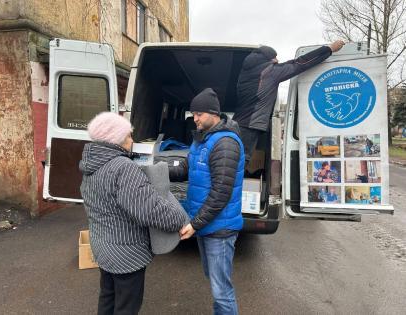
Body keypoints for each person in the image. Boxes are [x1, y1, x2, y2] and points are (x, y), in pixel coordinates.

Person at [79, 112, 187, 315]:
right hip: (126, 253)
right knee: (127, 307)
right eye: (128, 136)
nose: (132, 140)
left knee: (108, 298)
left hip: (103, 247)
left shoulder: (91, 165)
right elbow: (149, 210)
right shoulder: (123, 167)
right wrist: (180, 219)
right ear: (115, 139)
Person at [169, 88, 245, 315]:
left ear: (214, 113)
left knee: (221, 291)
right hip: (206, 226)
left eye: (199, 113)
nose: (195, 118)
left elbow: (221, 193)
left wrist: (195, 224)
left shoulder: (225, 143)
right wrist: (161, 170)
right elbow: (188, 169)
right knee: (214, 280)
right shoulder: (203, 140)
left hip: (219, 228)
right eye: (193, 114)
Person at [233, 40, 345, 164]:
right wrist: (329, 49)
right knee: (240, 163)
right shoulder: (269, 72)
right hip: (249, 127)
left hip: (238, 123)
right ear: (269, 60)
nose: (277, 60)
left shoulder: (247, 74)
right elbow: (300, 63)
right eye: (275, 58)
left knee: (234, 160)